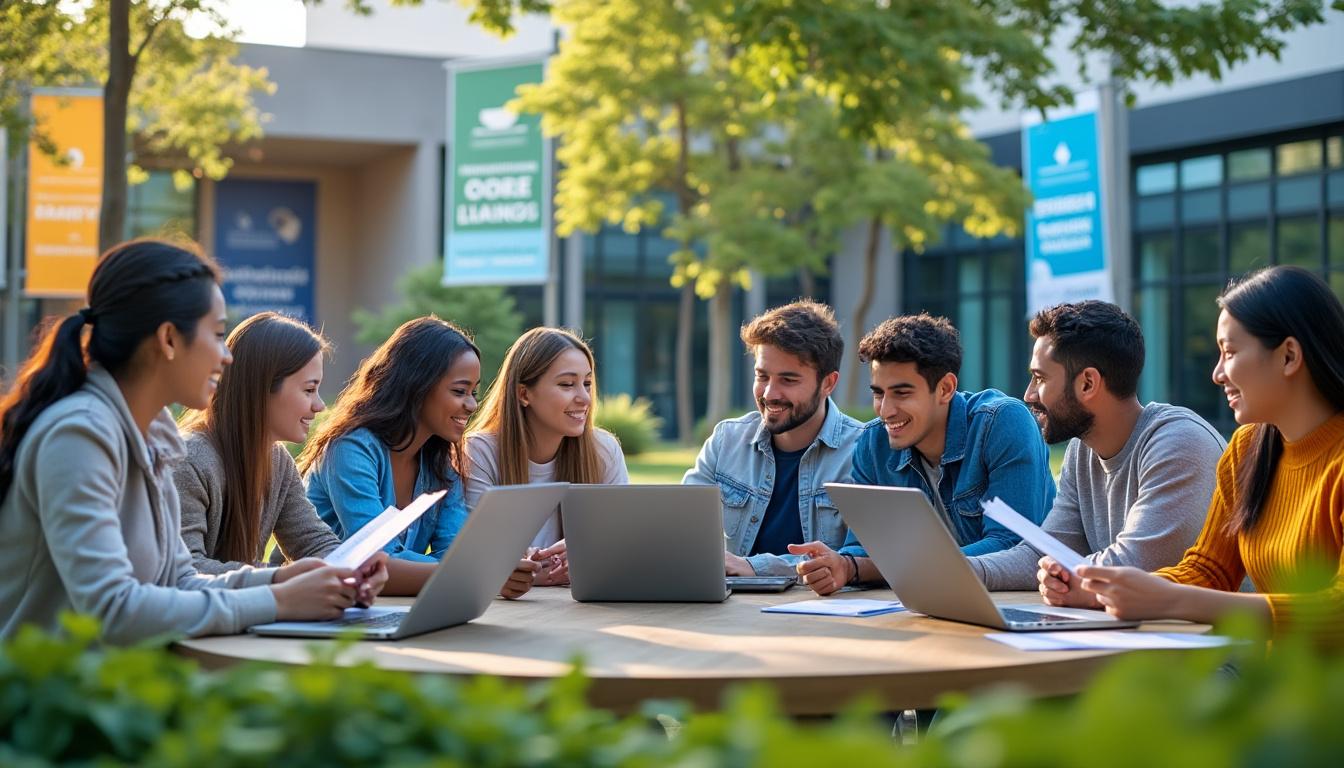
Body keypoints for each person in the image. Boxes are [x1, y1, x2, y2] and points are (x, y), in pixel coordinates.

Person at [0, 239, 383, 644]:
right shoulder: (78, 435)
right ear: (168, 339)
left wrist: (282, 578)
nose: (227, 356)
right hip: (47, 694)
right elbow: (110, 610)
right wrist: (279, 600)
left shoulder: (153, 436)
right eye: (217, 335)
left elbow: (179, 580)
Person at [1075, 266, 1344, 642]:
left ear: (1288, 356)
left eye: (1230, 352)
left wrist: (1172, 600)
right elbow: (1211, 570)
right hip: (1273, 687)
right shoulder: (1248, 447)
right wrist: (1104, 588)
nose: (1217, 373)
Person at [968, 301, 1225, 602]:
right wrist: (956, 571)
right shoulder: (1082, 450)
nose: (1029, 394)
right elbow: (1042, 553)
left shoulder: (1180, 442)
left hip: (1216, 645)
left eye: (1040, 378)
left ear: (1088, 383)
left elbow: (1133, 565)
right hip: (1143, 634)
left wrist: (1062, 574)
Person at [796, 313, 1056, 596]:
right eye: (879, 393)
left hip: (1020, 601)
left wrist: (871, 567)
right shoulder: (874, 443)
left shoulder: (1001, 423)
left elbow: (1009, 544)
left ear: (945, 389)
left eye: (902, 393)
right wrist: (844, 566)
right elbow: (862, 547)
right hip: (926, 603)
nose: (885, 410)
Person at [175, 312, 431, 596]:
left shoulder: (277, 461)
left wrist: (352, 570)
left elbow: (314, 543)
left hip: (244, 622)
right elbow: (185, 570)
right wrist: (282, 577)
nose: (320, 405)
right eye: (309, 390)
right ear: (261, 388)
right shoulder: (190, 460)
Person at [299, 316, 537, 598]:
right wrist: (481, 573)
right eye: (460, 391)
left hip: (383, 609)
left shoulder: (440, 463)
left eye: (473, 392)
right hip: (315, 610)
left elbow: (455, 550)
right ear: (416, 385)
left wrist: (492, 569)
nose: (472, 404)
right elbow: (377, 560)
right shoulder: (351, 449)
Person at [683, 300, 863, 577]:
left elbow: (859, 558)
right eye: (762, 376)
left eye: (788, 380)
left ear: (828, 383)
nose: (769, 394)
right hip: (730, 612)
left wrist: (753, 567)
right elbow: (679, 531)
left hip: (822, 614)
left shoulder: (863, 451)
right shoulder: (726, 440)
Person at [465, 327, 628, 586]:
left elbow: (624, 542)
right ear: (524, 394)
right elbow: (478, 554)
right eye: (566, 384)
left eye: (587, 383)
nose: (585, 398)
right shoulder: (479, 452)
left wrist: (592, 552)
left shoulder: (603, 450)